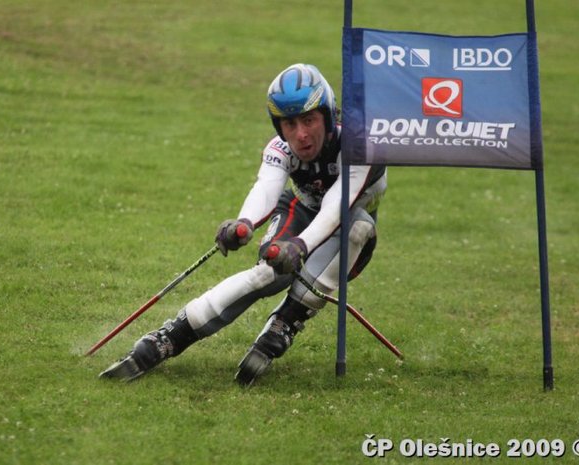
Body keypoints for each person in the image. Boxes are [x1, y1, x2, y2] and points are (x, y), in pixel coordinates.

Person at [100, 63, 387, 386]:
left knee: (357, 227)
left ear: (328, 113)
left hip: (348, 227)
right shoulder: (279, 147)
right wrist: (244, 223)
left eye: (309, 120)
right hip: (302, 211)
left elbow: (335, 208)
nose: (301, 135)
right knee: (268, 272)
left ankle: (286, 322)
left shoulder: (360, 146)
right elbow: (266, 187)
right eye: (289, 124)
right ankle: (170, 336)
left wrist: (301, 245)